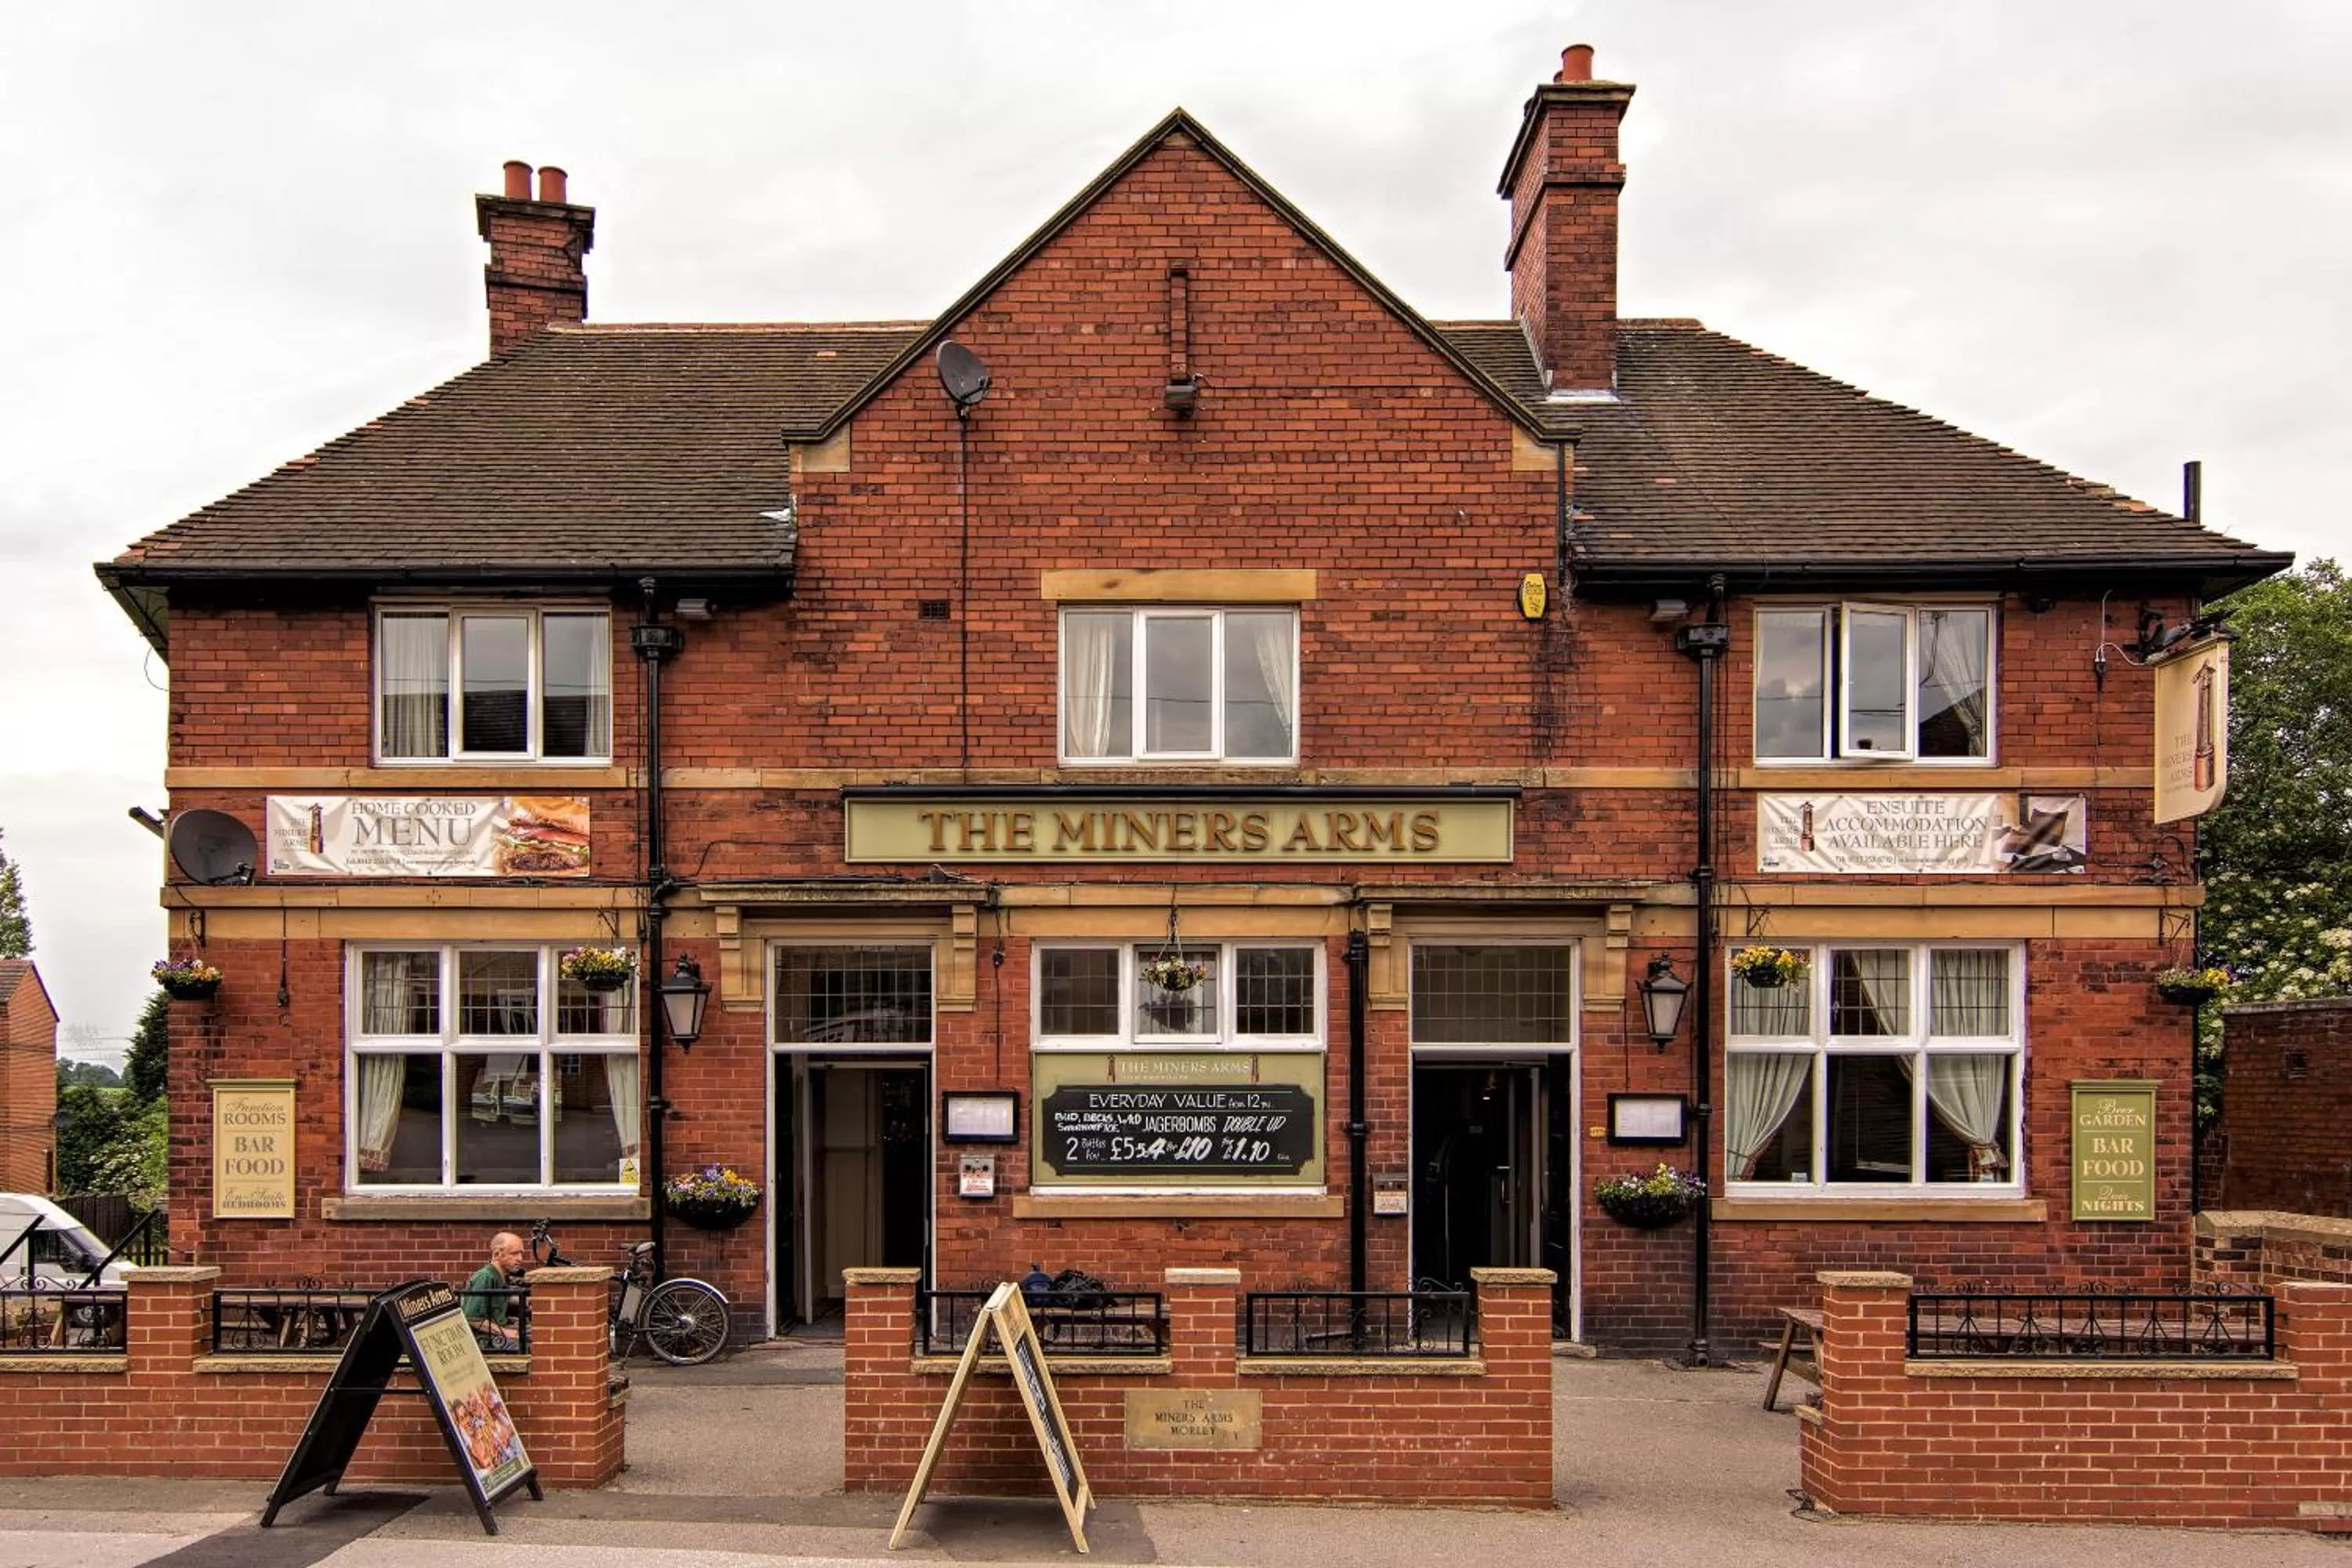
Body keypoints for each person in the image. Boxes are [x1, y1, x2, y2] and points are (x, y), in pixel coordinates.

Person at [463, 1231, 528, 1350]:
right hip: (486, 1339)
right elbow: (472, 1318)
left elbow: (499, 1302)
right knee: (530, 1345)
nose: (520, 1259)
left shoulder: (503, 1276)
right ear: (497, 1254)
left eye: (521, 1253)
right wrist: (506, 1332)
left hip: (500, 1330)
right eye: (514, 1254)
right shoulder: (485, 1277)